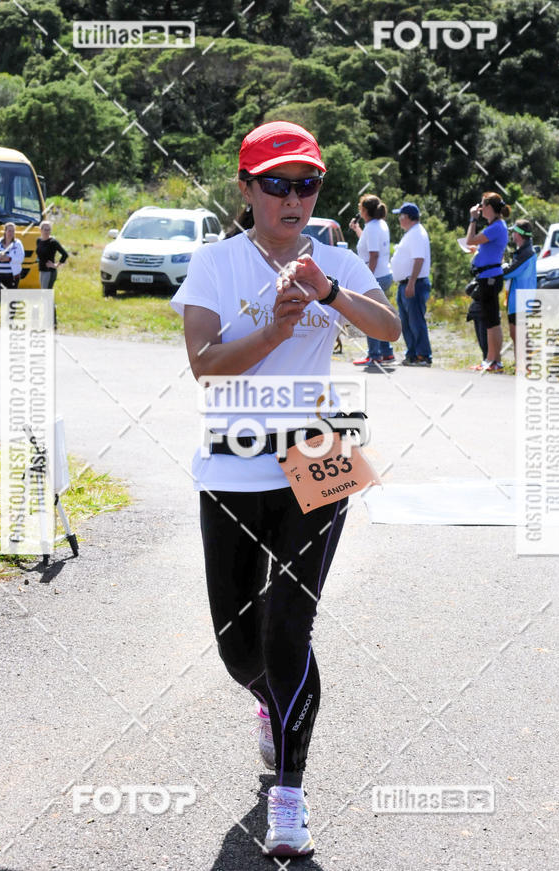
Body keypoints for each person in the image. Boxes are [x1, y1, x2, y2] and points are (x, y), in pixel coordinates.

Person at [170, 120, 400, 858]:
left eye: (307, 184)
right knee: (241, 652)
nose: (293, 198)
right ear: (246, 189)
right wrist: (273, 328)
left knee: (286, 630)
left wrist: (328, 290)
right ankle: (270, 703)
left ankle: (290, 796)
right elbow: (205, 362)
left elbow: (388, 330)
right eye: (277, 184)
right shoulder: (215, 262)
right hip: (234, 458)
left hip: (321, 450)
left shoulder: (332, 259)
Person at [465, 191, 510, 373]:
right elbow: (478, 245)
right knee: (491, 320)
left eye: (483, 205)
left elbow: (469, 240)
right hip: (488, 277)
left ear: (490, 208)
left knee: (491, 321)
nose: (480, 208)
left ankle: (492, 361)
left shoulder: (496, 227)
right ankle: (493, 360)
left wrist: (473, 219)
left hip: (489, 278)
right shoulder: (496, 226)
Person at [349, 194, 394, 366]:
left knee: (371, 316)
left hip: (376, 275)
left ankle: (374, 355)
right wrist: (357, 229)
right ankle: (386, 352)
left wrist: (366, 278)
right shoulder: (378, 225)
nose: (359, 211)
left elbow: (373, 255)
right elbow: (369, 244)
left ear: (365, 210)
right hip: (384, 274)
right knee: (380, 314)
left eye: (360, 208)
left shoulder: (372, 227)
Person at [389, 201, 432, 366]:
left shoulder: (417, 233)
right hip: (406, 283)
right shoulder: (412, 233)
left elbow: (419, 259)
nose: (399, 219)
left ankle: (423, 355)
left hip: (414, 283)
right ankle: (412, 354)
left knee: (416, 321)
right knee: (407, 322)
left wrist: (412, 282)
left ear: (407, 217)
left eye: (400, 216)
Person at [503, 218, 537, 356]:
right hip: (518, 301)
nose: (511, 235)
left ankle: (526, 368)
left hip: (520, 301)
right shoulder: (524, 251)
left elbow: (509, 272)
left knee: (520, 336)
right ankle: (522, 367)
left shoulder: (526, 254)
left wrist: (500, 267)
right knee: (516, 334)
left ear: (518, 234)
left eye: (513, 232)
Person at [0, 222, 25, 325]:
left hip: (12, 276)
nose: (11, 233)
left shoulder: (17, 243)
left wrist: (8, 258)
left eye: (13, 231)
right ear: (5, 231)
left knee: (11, 298)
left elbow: (20, 258)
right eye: (9, 230)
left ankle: (10, 321)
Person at [36, 220, 68, 328]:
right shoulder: (38, 241)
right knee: (45, 296)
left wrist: (56, 265)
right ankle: (50, 321)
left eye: (48, 229)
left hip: (50, 272)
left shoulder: (53, 242)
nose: (47, 231)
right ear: (40, 230)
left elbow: (65, 254)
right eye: (45, 229)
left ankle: (49, 322)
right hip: (41, 271)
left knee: (46, 296)